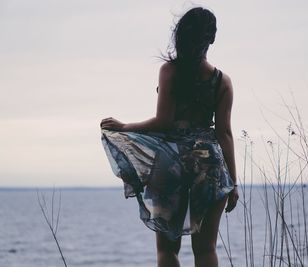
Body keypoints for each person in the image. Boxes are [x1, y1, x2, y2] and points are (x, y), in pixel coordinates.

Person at [100, 7, 239, 267]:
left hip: (170, 162)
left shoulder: (170, 71)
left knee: (167, 250)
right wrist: (234, 183)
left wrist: (125, 126)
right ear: (212, 37)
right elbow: (225, 133)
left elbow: (163, 122)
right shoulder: (222, 82)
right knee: (206, 249)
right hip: (209, 165)